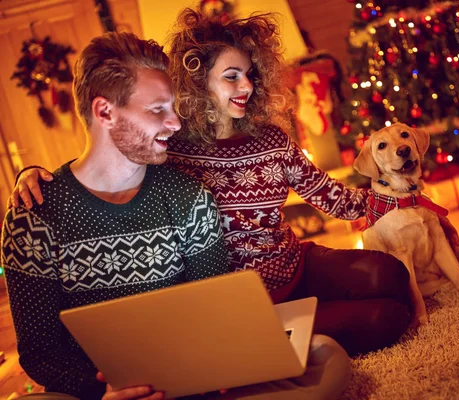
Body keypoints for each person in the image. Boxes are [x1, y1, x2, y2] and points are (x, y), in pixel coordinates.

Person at [10, 8, 413, 357]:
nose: (247, 86)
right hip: (243, 301)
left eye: (250, 75)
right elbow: (112, 154)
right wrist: (35, 176)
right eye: (232, 76)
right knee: (386, 318)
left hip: (294, 265)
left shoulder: (270, 140)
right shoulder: (171, 145)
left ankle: (316, 312)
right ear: (199, 81)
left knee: (392, 276)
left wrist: (407, 201)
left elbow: (334, 197)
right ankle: (304, 327)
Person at [2, 32, 350, 400]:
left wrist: (215, 364)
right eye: (157, 110)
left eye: (172, 107)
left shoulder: (190, 198)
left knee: (326, 357)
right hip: (95, 391)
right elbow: (39, 351)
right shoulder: (34, 217)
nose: (175, 122)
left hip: (191, 380)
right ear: (105, 111)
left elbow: (214, 309)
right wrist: (102, 392)